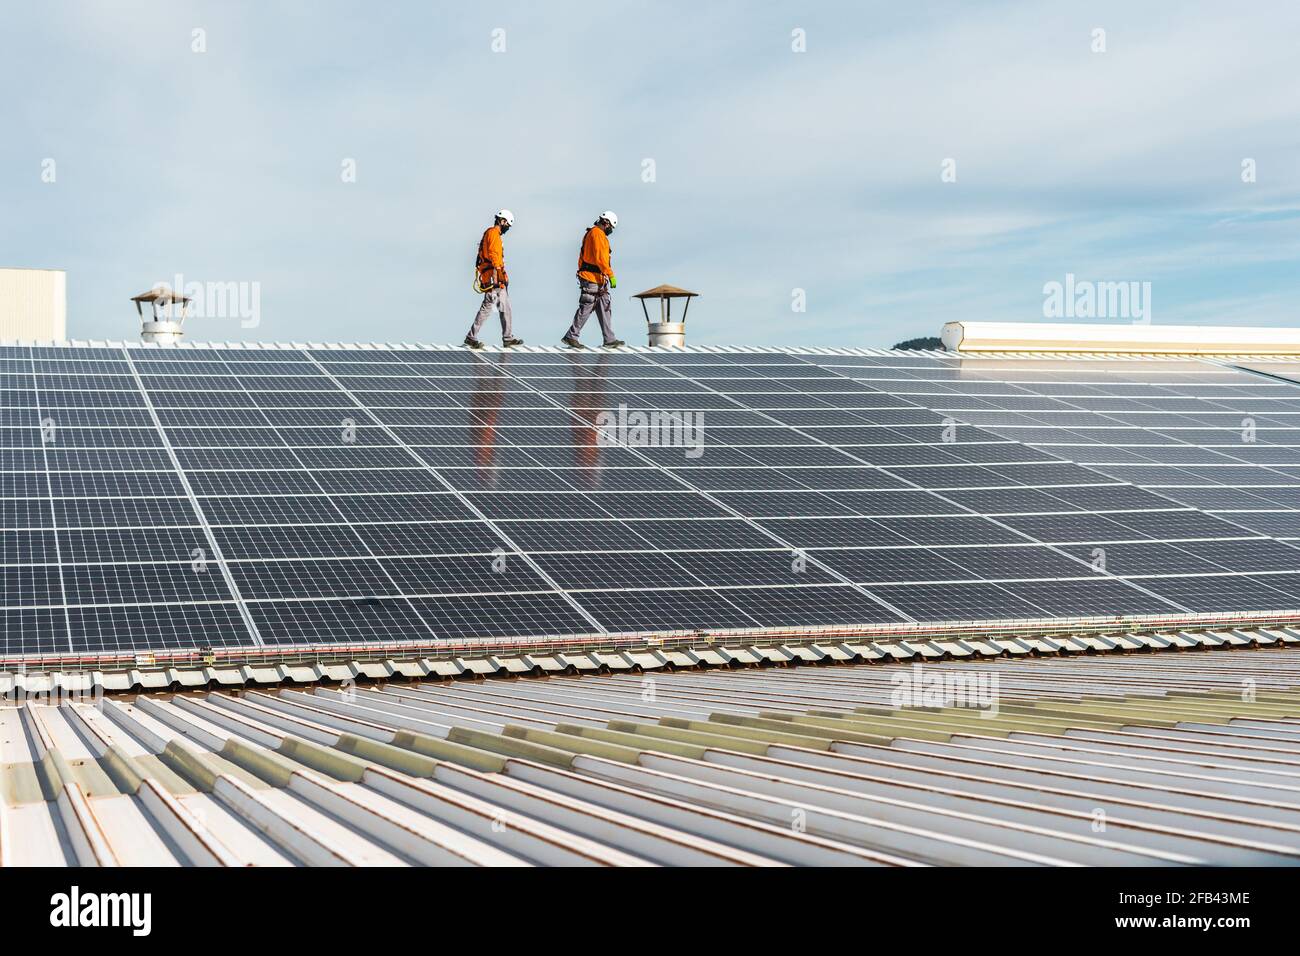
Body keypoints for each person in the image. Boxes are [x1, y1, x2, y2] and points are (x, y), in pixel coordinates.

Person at [562, 211, 624, 349]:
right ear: (606, 223)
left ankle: (609, 339)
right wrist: (610, 274)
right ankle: (571, 336)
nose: (611, 231)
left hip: (597, 279)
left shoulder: (597, 234)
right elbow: (600, 258)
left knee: (605, 307)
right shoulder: (596, 234)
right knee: (587, 306)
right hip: (591, 278)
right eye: (611, 228)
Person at [465, 209, 523, 349]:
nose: (506, 229)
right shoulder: (493, 234)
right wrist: (498, 275)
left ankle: (507, 337)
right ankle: (471, 337)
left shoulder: (493, 234)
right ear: (502, 221)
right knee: (489, 306)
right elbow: (494, 255)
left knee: (504, 307)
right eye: (507, 225)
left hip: (494, 275)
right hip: (493, 277)